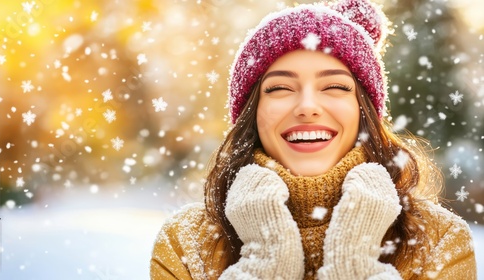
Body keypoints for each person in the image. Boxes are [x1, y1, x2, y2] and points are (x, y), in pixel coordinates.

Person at [150, 0, 477, 279]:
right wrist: (265, 266)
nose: (307, 107)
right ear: (252, 112)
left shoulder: (440, 241)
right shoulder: (186, 241)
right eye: (279, 88)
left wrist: (356, 265)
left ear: (364, 111)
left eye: (335, 87)